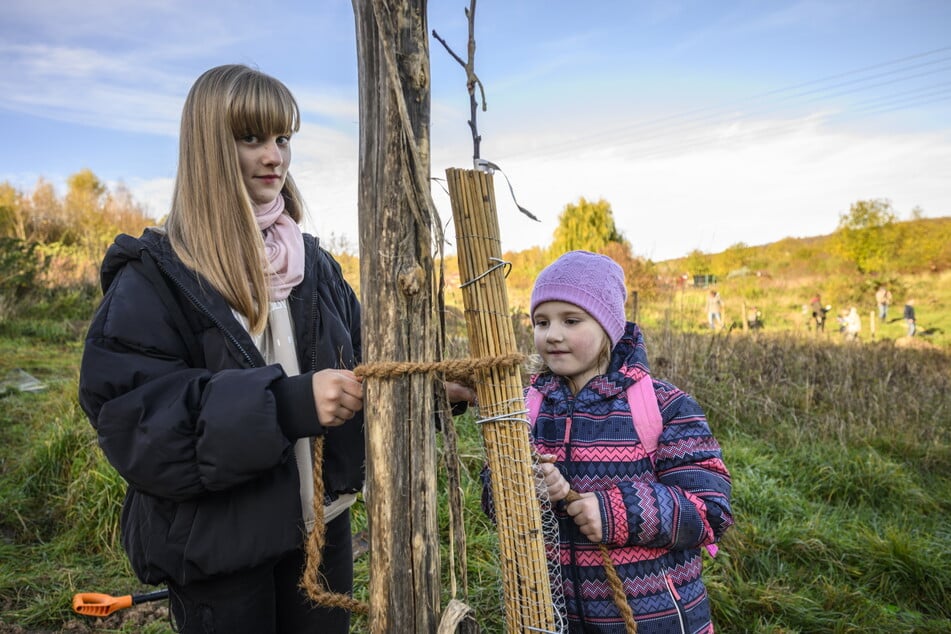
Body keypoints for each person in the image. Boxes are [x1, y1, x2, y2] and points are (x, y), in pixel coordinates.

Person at [77, 64, 475, 634]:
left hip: (322, 530)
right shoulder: (157, 275)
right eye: (252, 138)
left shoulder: (312, 263)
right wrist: (287, 404)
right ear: (209, 148)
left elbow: (366, 365)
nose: (275, 157)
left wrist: (432, 391)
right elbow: (137, 420)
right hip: (218, 542)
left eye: (283, 138)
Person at [526, 251, 734, 633]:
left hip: (654, 619)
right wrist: (529, 487)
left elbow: (709, 510)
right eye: (542, 322)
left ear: (609, 327)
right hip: (555, 618)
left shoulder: (664, 406)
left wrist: (615, 513)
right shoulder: (530, 408)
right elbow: (495, 499)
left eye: (571, 320)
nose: (552, 334)